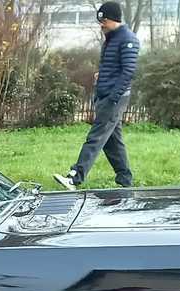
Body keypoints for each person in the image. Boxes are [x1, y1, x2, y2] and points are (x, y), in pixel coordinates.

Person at [54, 2, 139, 190]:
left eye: (104, 21)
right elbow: (114, 67)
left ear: (114, 19)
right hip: (105, 95)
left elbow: (128, 72)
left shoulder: (128, 39)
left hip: (114, 98)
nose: (101, 25)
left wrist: (113, 97)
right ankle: (125, 180)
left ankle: (75, 177)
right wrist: (102, 76)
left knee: (96, 137)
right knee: (112, 141)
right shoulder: (111, 39)